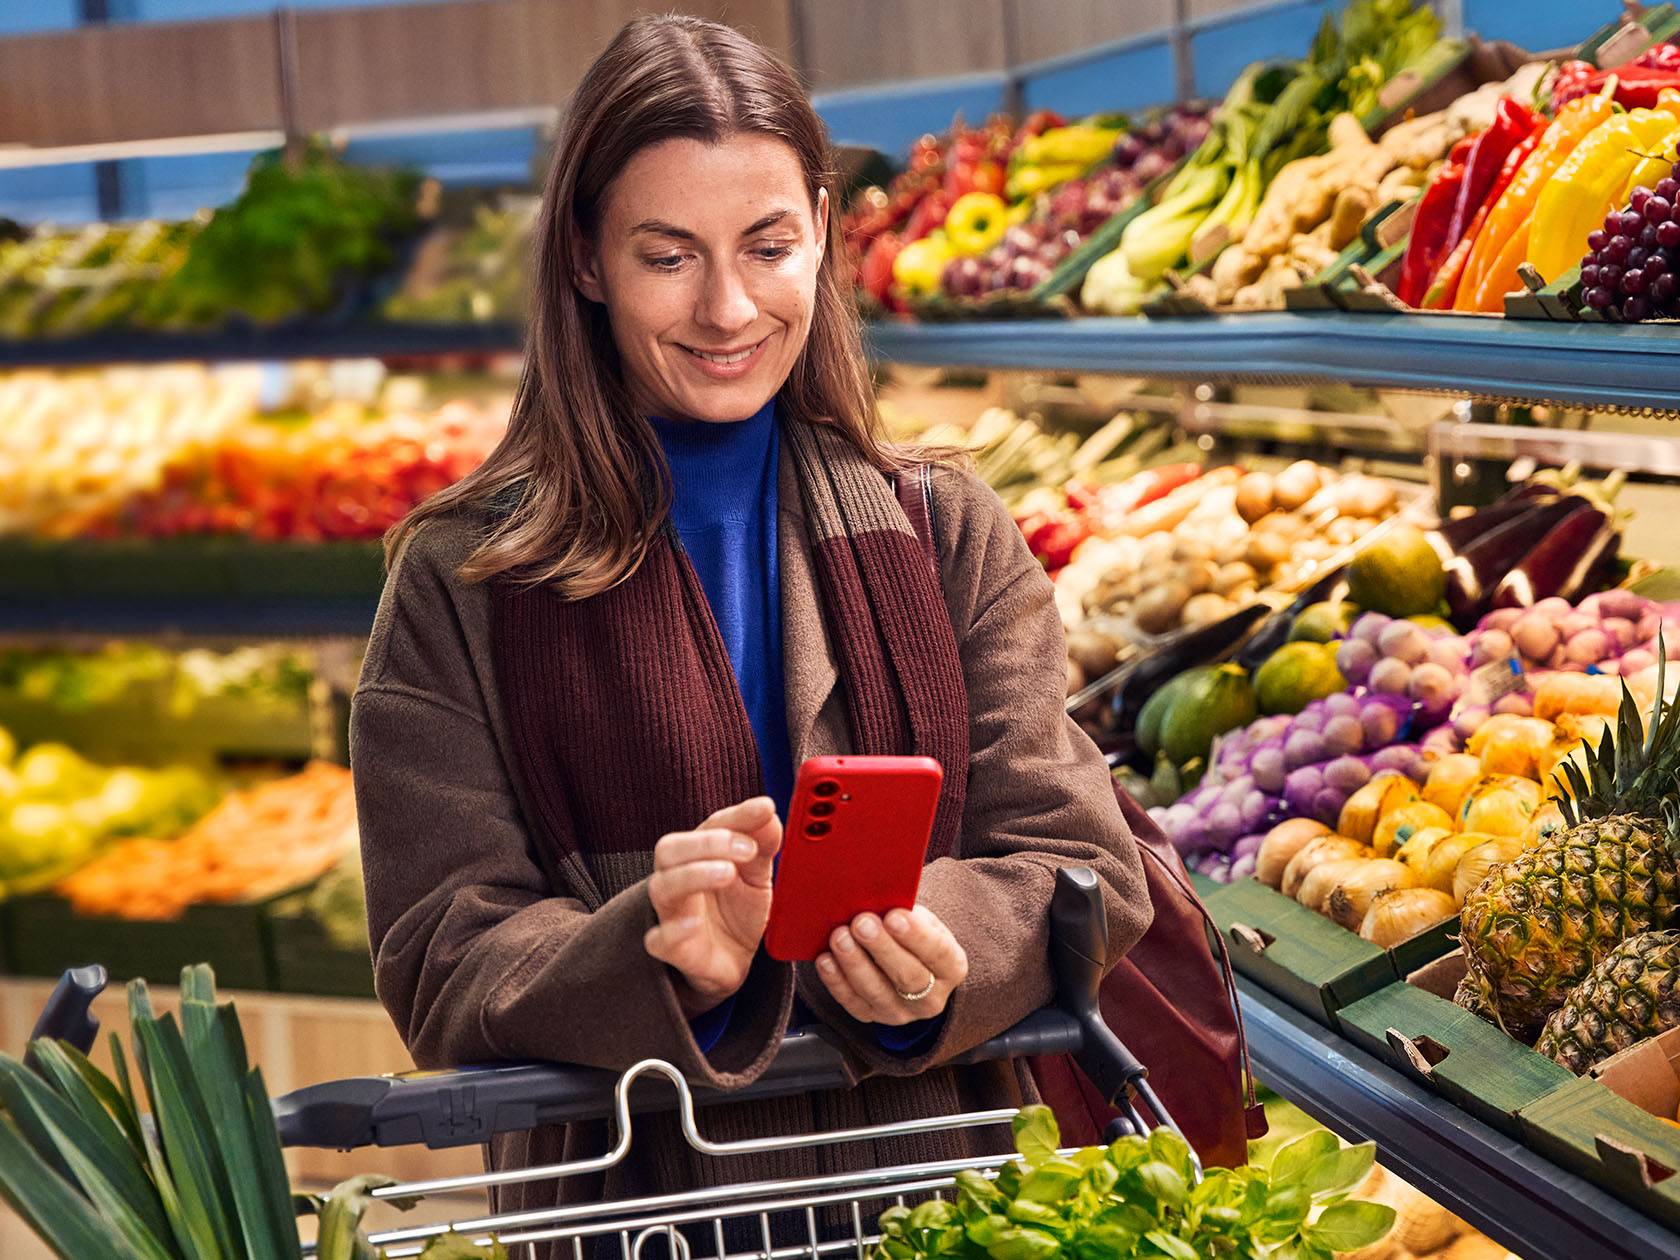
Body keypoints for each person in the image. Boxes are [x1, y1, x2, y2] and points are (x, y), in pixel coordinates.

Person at [350, 12, 1151, 1247]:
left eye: (768, 246)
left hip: (944, 1205)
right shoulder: (463, 580)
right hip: (634, 1211)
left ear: (823, 231)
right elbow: (442, 957)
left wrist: (945, 947)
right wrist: (654, 955)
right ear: (582, 260)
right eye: (667, 257)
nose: (729, 309)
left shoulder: (946, 532)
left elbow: (1078, 862)